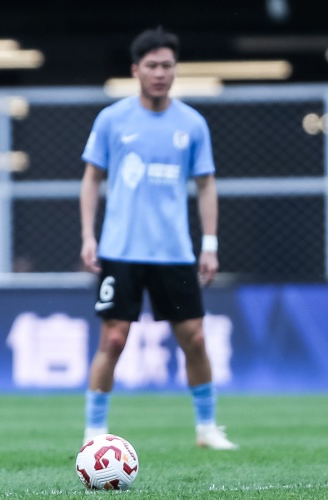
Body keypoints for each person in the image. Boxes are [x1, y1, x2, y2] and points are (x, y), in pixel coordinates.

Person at [79, 27, 237, 450]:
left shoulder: (192, 124)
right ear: (136, 70)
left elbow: (206, 184)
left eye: (167, 65)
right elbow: (92, 179)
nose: (160, 73)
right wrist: (88, 236)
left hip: (173, 253)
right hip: (121, 250)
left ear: (175, 70)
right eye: (152, 65)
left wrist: (209, 244)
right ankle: (94, 433)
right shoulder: (112, 119)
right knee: (113, 340)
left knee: (196, 340)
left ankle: (207, 427)